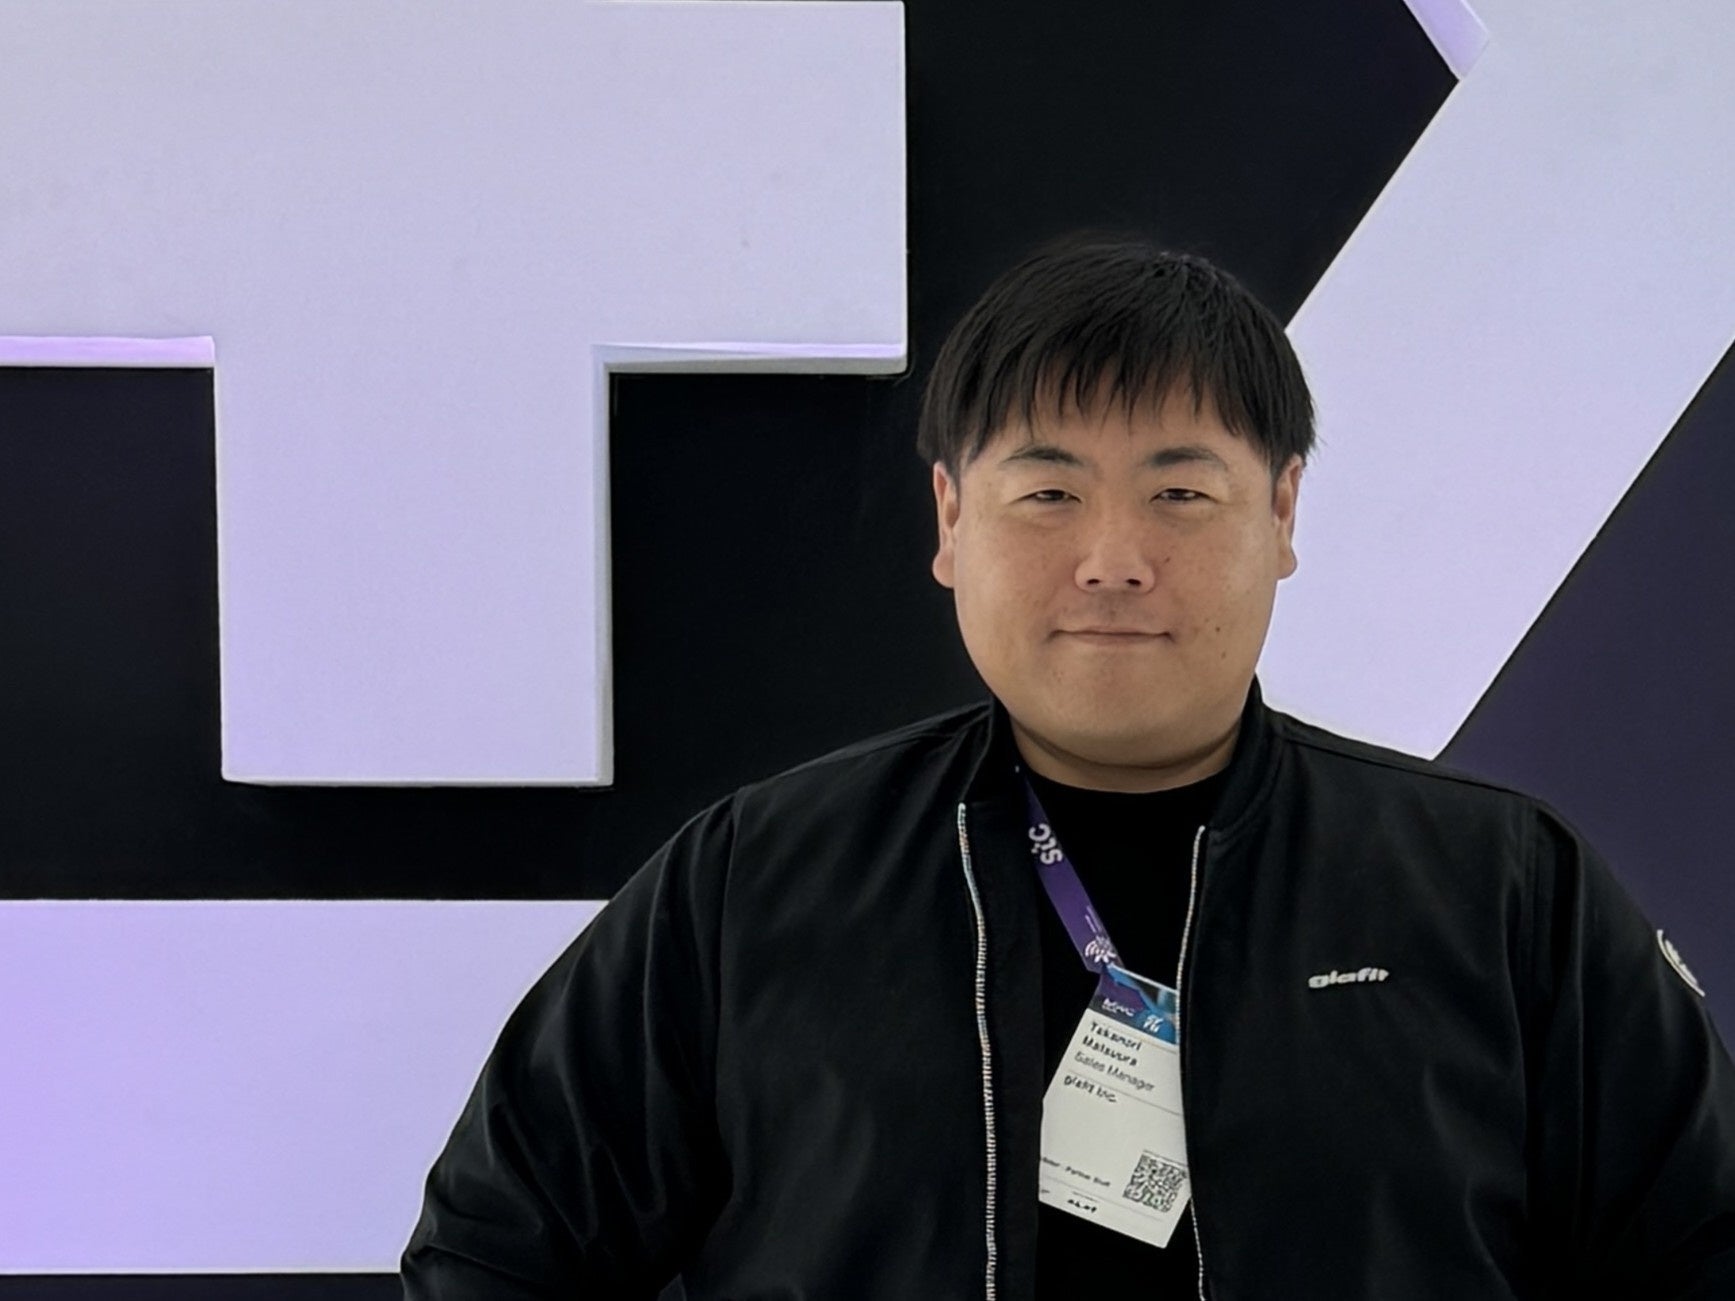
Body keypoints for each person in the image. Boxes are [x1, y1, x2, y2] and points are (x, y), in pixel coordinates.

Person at [400, 233, 1735, 1299]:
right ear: (949, 519)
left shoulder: (1499, 888)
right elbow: (499, 1249)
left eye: (1179, 493)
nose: (1112, 560)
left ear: (1282, 511)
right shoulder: (756, 882)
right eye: (1048, 492)